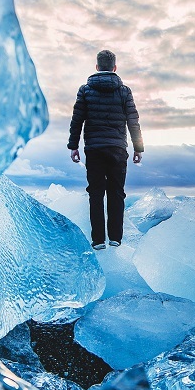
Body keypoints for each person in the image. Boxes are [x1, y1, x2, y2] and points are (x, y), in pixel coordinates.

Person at [68, 49, 144, 249]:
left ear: (97, 67)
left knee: (95, 194)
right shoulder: (124, 91)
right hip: (118, 149)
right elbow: (133, 121)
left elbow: (77, 120)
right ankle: (115, 238)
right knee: (116, 193)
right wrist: (138, 148)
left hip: (93, 149)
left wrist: (73, 146)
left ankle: (98, 240)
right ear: (114, 67)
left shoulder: (85, 90)